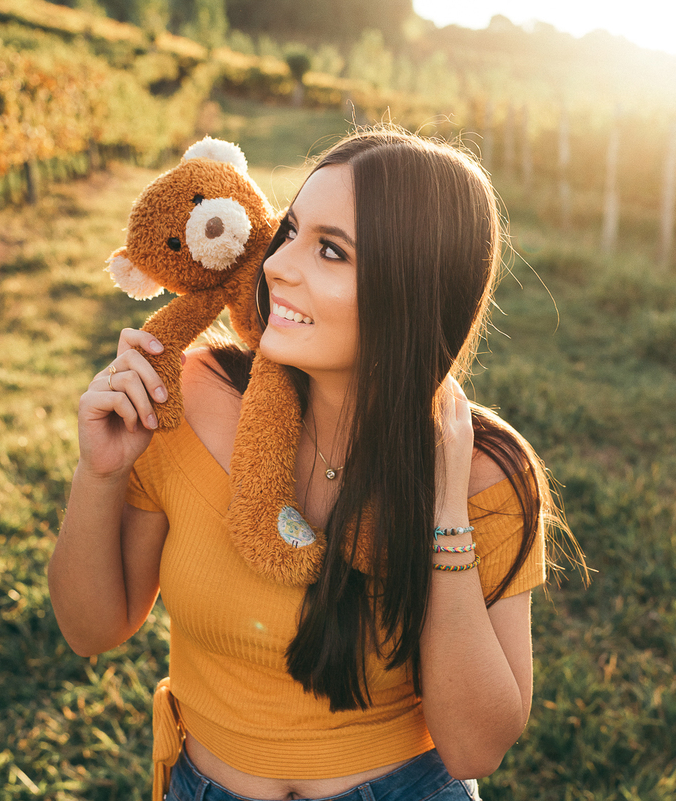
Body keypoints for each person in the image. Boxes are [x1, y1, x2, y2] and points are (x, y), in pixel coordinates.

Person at [47, 127, 584, 801]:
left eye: (331, 250)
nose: (276, 266)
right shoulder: (182, 398)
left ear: (410, 291)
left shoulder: (486, 469)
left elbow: (475, 745)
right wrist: (99, 475)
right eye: (291, 230)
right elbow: (90, 628)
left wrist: (445, 517)